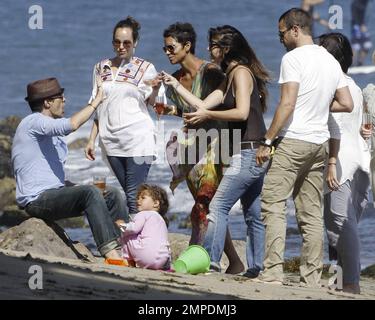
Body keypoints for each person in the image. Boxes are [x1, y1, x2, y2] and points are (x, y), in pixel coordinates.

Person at [162, 25, 271, 277]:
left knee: (218, 206)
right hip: (248, 153)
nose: (209, 49)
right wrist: (175, 86)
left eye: (213, 45)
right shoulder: (229, 75)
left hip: (249, 151)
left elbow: (241, 112)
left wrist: (208, 114)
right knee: (253, 213)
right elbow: (201, 104)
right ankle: (255, 268)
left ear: (225, 48)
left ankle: (210, 263)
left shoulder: (241, 73)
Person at [255, 8, 354, 287]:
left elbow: (287, 103)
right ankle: (310, 278)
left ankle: (272, 273)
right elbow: (347, 103)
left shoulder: (293, 58)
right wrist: (319, 104)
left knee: (273, 204)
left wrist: (267, 140)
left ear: (295, 30)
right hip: (319, 143)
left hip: (293, 141)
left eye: (281, 33)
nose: (280, 39)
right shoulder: (330, 61)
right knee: (311, 214)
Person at [12, 77, 126, 260]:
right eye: (60, 97)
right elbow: (72, 125)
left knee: (110, 193)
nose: (64, 100)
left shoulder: (50, 134)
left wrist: (74, 186)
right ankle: (112, 254)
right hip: (36, 200)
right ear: (47, 102)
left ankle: (125, 248)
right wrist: (96, 102)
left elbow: (49, 175)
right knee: (90, 192)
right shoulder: (33, 121)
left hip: (53, 194)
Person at [85, 16, 164, 216]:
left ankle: (136, 242)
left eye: (126, 42)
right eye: (117, 42)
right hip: (111, 141)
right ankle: (151, 228)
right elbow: (98, 105)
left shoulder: (146, 68)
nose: (121, 46)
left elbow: (155, 104)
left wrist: (155, 89)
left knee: (132, 196)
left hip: (138, 139)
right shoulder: (100, 68)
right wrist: (91, 139)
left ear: (135, 43)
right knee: (133, 195)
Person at [320, 33, 371, 295]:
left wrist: (330, 162)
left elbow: (335, 131)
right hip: (359, 162)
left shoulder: (337, 88)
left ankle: (350, 281)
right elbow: (362, 127)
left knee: (340, 224)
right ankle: (343, 278)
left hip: (341, 163)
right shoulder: (353, 85)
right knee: (341, 225)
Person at [117, 184, 171, 270]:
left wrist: (122, 225)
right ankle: (166, 266)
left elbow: (134, 228)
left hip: (145, 258)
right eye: (138, 198)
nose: (138, 200)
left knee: (127, 235)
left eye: (143, 198)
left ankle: (129, 261)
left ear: (156, 203)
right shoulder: (162, 220)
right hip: (162, 260)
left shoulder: (143, 214)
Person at [351, 0, 373, 66]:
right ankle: (351, 64)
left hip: (363, 26)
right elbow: (354, 14)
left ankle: (360, 62)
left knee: (367, 45)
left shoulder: (365, 2)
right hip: (356, 26)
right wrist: (360, 24)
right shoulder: (356, 3)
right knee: (355, 46)